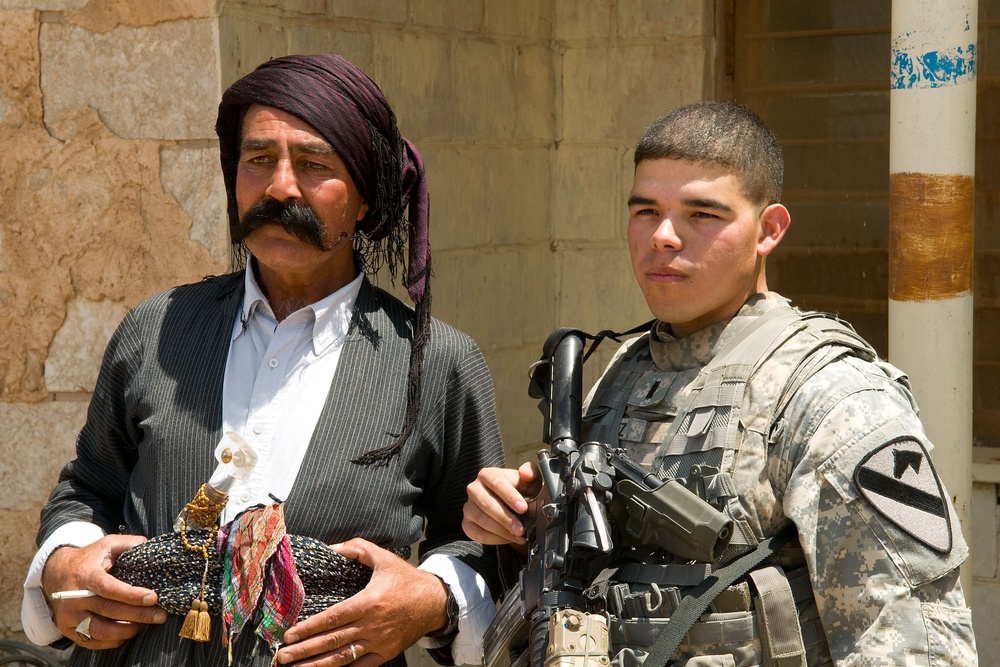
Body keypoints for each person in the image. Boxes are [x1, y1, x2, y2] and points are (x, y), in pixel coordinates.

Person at [21, 54, 504, 667]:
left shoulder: (437, 363)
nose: (280, 187)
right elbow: (89, 487)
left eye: (312, 164)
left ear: (365, 199)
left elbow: (482, 545)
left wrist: (432, 599)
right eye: (258, 161)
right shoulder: (157, 329)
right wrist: (66, 561)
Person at [463, 101, 978, 665]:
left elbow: (913, 642)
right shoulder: (625, 373)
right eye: (644, 212)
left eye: (701, 215)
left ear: (769, 230)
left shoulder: (828, 392)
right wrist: (526, 524)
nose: (663, 236)